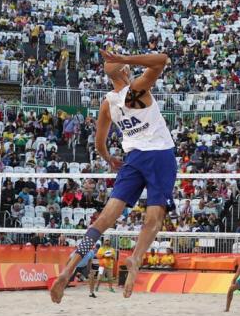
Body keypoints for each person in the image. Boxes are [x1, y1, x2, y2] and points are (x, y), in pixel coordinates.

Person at [50, 50, 176, 303]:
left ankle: (70, 266)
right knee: (154, 216)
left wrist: (109, 159)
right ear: (126, 72)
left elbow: (99, 143)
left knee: (105, 218)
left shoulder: (107, 104)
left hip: (132, 159)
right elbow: (162, 60)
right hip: (159, 154)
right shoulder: (137, 89)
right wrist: (125, 58)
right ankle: (137, 257)